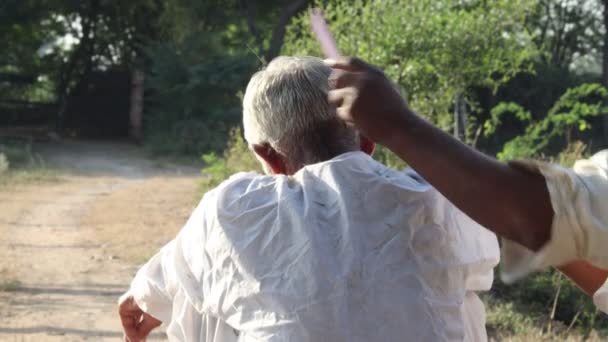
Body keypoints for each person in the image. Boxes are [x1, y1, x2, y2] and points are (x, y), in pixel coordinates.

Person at [118, 56, 499, 342]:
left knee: (200, 289)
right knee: (452, 296)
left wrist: (144, 299)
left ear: (267, 156)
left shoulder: (235, 206)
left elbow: (177, 268)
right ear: (368, 142)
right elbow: (481, 269)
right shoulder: (434, 194)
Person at [324, 56, 608, 311]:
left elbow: (551, 216)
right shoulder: (429, 199)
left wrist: (400, 125)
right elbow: (575, 235)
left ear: (276, 162)